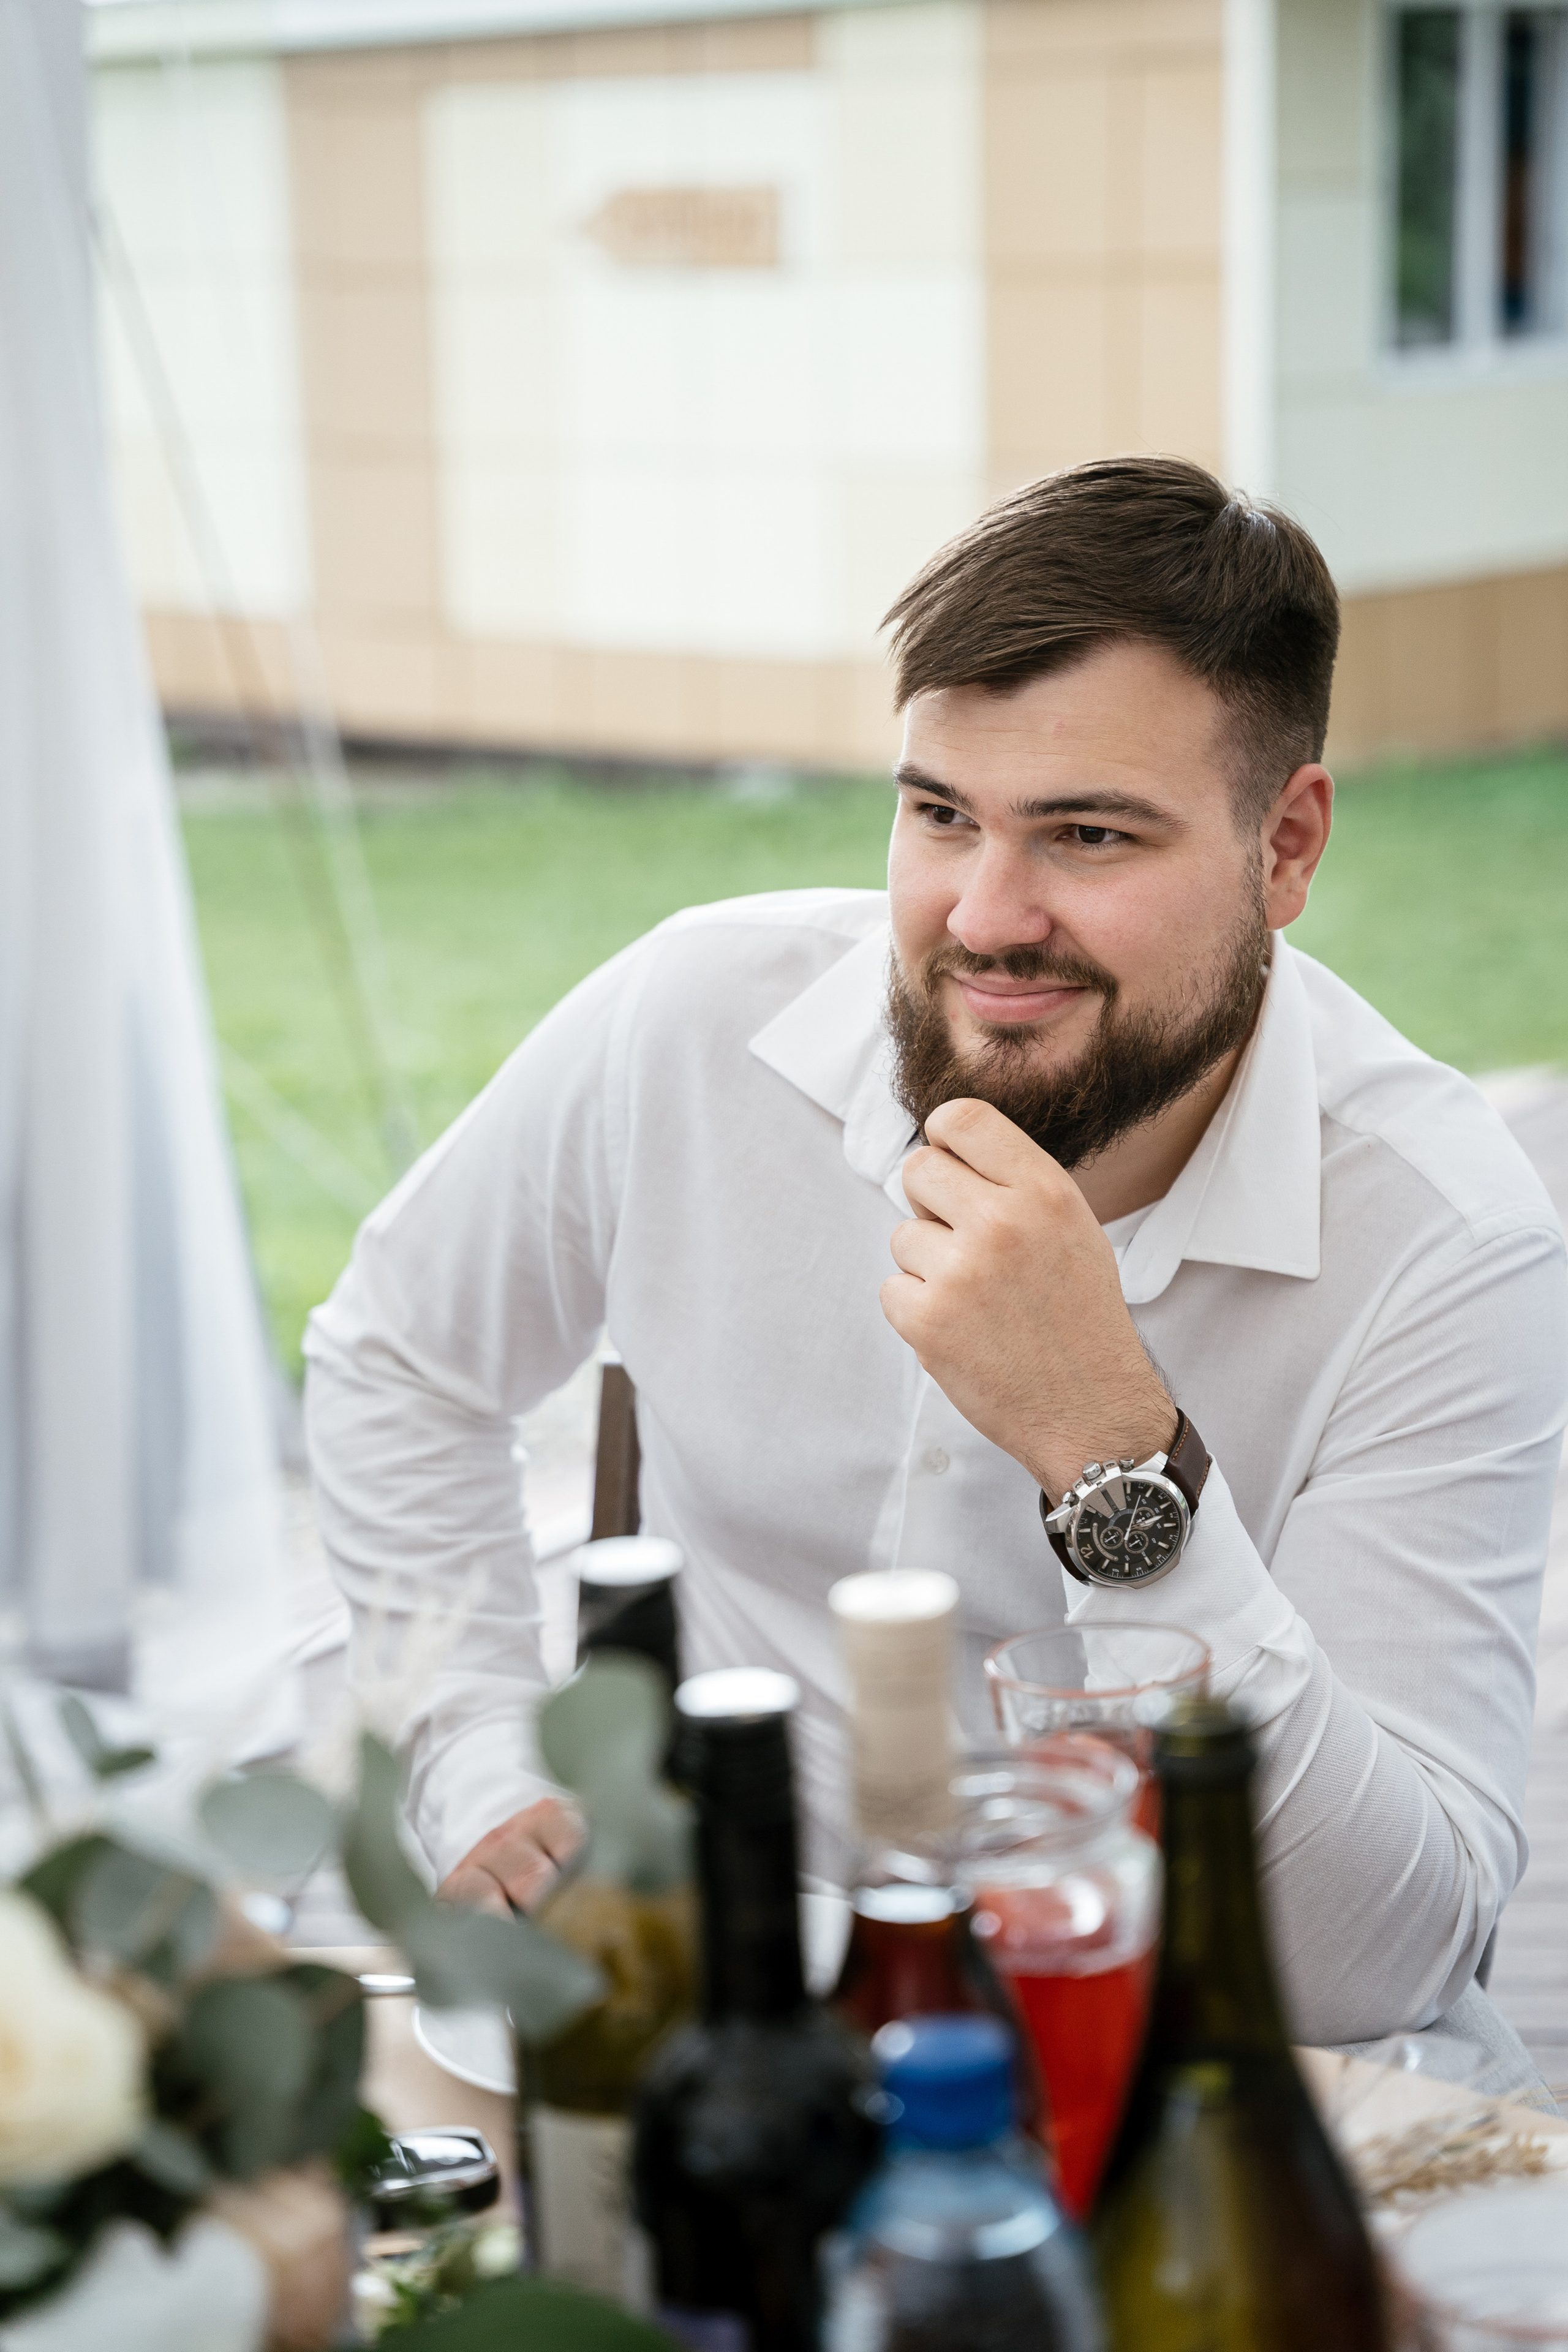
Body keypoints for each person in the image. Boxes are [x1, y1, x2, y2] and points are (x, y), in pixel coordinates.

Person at [304, 456, 1567, 2051]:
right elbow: (400, 1356)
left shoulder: (1449, 1245)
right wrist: (478, 1749)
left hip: (1212, 2081)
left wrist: (1117, 1463)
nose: (983, 915)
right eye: (939, 813)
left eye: (1089, 835)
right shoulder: (694, 1020)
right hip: (733, 2018)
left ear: (1287, 846)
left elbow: (1372, 1966)